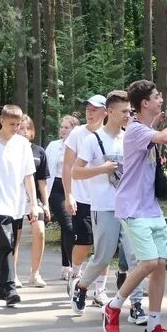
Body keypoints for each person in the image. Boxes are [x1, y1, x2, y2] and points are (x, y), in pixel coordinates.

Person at [101, 81, 167, 332]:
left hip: (150, 206)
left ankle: (153, 327)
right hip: (132, 208)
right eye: (156, 97)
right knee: (148, 263)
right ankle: (113, 305)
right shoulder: (134, 130)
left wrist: (154, 122)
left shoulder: (143, 128)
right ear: (144, 102)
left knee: (160, 265)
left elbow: (153, 139)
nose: (160, 99)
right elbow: (165, 138)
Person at [69, 91, 144, 317]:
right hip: (103, 205)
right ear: (109, 112)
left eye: (130, 111)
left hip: (129, 206)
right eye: (123, 111)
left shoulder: (129, 136)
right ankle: (81, 286)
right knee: (103, 255)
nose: (127, 115)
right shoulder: (93, 139)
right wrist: (102, 168)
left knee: (135, 255)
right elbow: (76, 172)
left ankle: (137, 304)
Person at [0, 105, 39, 306]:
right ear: (2, 120)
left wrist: (33, 203)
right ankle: (11, 288)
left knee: (9, 245)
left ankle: (1, 285)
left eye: (18, 124)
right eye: (12, 124)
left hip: (17, 201)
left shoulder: (23, 144)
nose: (15, 127)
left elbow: (29, 176)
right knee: (5, 241)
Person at [62, 96, 108, 296]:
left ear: (106, 112)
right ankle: (76, 274)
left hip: (105, 198)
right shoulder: (77, 134)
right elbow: (67, 165)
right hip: (82, 197)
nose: (90, 113)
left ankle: (101, 289)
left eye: (95, 110)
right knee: (85, 242)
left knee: (103, 246)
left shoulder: (111, 134)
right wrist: (69, 194)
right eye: (88, 109)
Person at [46, 115, 79, 282]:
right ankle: (74, 266)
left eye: (67, 127)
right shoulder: (53, 146)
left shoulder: (80, 145)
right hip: (56, 190)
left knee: (69, 229)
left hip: (76, 189)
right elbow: (44, 170)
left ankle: (65, 265)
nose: (63, 130)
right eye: (62, 127)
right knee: (68, 226)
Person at [19, 115, 51, 288]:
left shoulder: (39, 151)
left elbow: (42, 181)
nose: (24, 132)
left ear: (32, 131)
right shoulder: (9, 150)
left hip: (33, 200)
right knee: (13, 238)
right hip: (13, 199)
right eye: (20, 128)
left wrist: (45, 204)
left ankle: (35, 273)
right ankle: (13, 274)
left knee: (40, 231)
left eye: (27, 128)